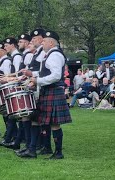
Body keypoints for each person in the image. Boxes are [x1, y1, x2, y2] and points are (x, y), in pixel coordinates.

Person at [21, 30, 72, 159]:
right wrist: (32, 75)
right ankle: (34, 149)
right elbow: (45, 73)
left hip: (53, 90)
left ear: (50, 42)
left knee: (54, 124)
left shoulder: (54, 55)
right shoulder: (49, 54)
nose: (42, 42)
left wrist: (38, 81)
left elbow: (55, 76)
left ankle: (58, 152)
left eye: (44, 41)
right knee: (41, 120)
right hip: (49, 91)